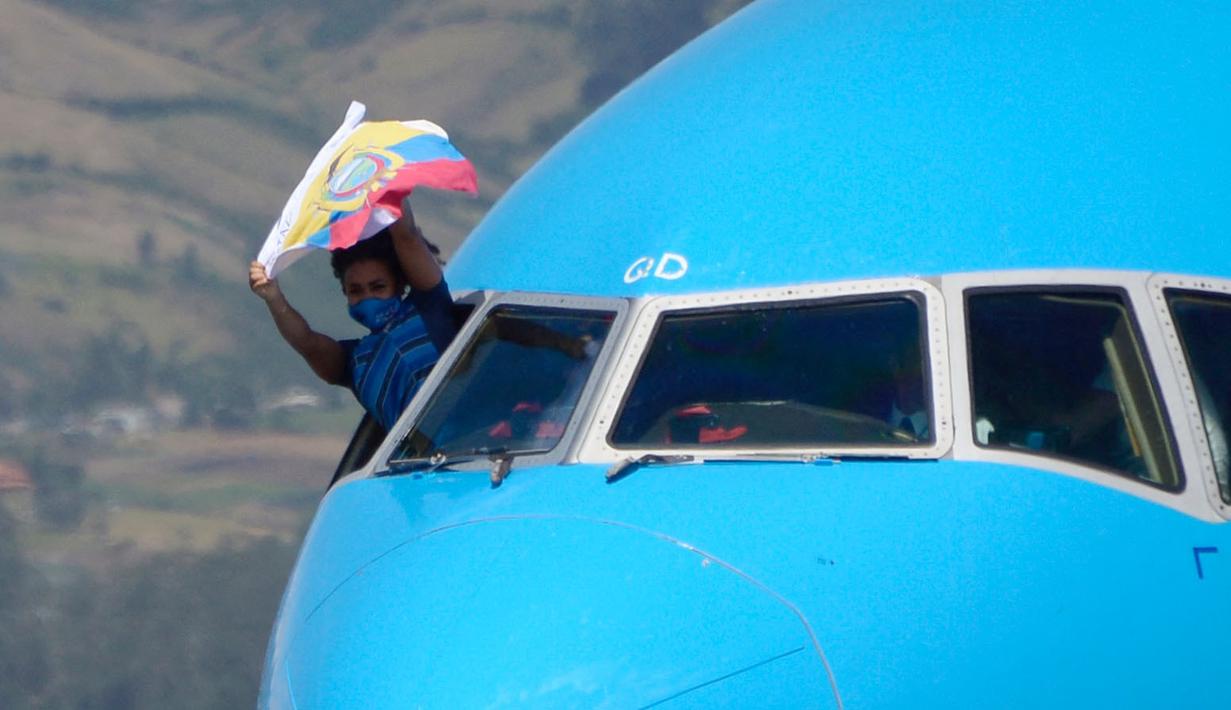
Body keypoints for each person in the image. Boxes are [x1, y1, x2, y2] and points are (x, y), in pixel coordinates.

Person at [248, 204, 457, 431]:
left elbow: (407, 236)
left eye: (378, 287)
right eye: (356, 291)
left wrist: (393, 187)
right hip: (422, 462)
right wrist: (273, 297)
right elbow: (308, 343)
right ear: (345, 294)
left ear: (399, 283)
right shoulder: (357, 362)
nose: (368, 298)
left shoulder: (429, 309)